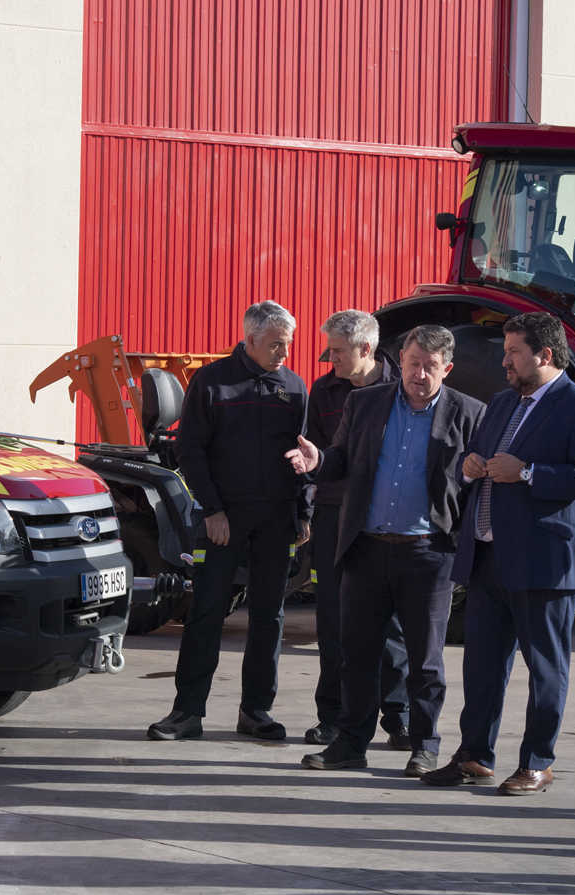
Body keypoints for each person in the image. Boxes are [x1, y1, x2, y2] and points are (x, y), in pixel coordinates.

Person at [421, 312, 575, 795]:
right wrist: (470, 466)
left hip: (544, 562)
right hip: (490, 557)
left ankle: (537, 762)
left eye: (513, 352)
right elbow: (484, 462)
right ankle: (474, 756)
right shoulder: (503, 403)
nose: (503, 361)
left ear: (543, 356)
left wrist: (527, 473)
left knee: (545, 667)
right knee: (481, 666)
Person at [284, 324, 486, 776]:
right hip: (367, 549)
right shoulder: (365, 403)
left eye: (430, 367)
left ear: (446, 369)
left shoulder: (469, 414)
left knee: (425, 659)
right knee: (357, 654)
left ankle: (424, 744)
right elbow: (341, 458)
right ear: (402, 362)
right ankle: (351, 743)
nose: (419, 374)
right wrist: (318, 462)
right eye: (413, 364)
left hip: (429, 554)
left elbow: (474, 486)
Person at [148, 301, 310, 743]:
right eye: (276, 344)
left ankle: (256, 711)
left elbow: (304, 457)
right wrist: (213, 510)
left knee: (268, 617)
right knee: (206, 612)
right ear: (251, 339)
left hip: (276, 521)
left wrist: (303, 513)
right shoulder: (213, 382)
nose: (284, 353)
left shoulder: (293, 388)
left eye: (288, 345)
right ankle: (186, 712)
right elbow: (190, 450)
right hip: (224, 519)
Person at [303, 309, 411, 750]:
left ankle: (399, 718)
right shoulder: (324, 390)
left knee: (394, 626)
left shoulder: (403, 391)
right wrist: (306, 512)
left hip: (383, 520)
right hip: (333, 518)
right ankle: (333, 716)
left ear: (366, 349)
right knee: (333, 620)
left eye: (339, 351)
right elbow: (314, 456)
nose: (330, 359)